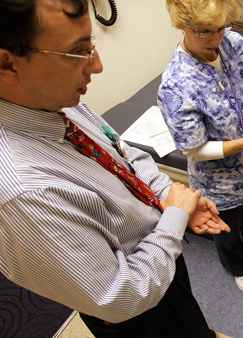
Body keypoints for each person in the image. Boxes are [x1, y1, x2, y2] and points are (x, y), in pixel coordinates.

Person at [0, 1, 230, 337]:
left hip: (158, 256)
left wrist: (167, 196)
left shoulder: (57, 102)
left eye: (91, 45)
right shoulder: (24, 192)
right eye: (78, 52)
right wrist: (174, 218)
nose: (97, 66)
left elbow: (122, 153)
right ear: (7, 62)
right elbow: (120, 297)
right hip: (136, 310)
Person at [160, 0, 243, 295]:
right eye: (205, 32)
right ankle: (238, 265)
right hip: (219, 182)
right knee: (226, 228)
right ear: (182, 25)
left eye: (221, 28)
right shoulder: (176, 84)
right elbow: (194, 151)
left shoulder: (233, 43)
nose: (216, 39)